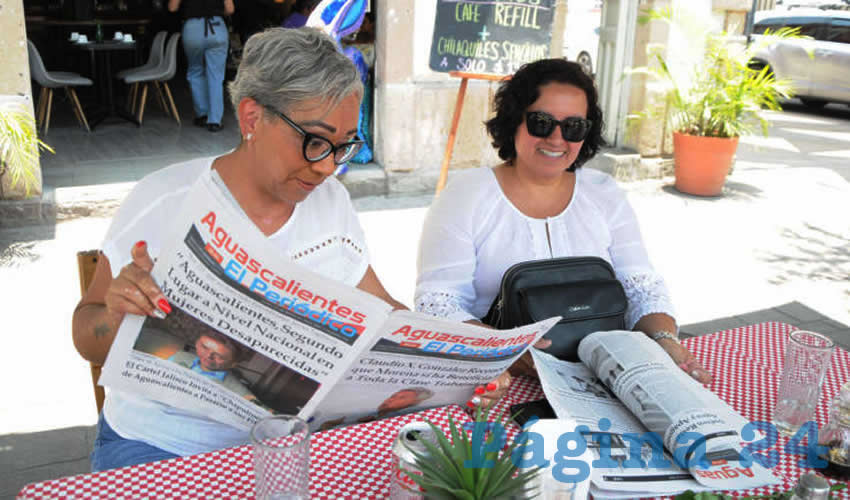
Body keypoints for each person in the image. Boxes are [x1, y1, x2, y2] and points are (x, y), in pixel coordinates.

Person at [72, 27, 406, 472]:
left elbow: (380, 308)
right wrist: (117, 313)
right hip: (160, 442)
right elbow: (87, 338)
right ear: (252, 118)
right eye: (315, 141)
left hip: (291, 441)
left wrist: (453, 357)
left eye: (343, 145)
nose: (327, 166)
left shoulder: (332, 203)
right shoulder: (165, 199)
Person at [415, 58, 712, 404]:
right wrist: (505, 350)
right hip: (500, 380)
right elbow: (437, 302)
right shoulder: (466, 195)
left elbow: (641, 286)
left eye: (573, 126)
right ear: (514, 121)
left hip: (605, 375)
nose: (557, 138)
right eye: (541, 122)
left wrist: (665, 342)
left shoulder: (604, 193)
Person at [169, 0, 234, 132]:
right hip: (216, 27)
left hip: (193, 29)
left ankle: (202, 114)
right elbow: (230, 9)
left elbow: (172, 8)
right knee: (215, 75)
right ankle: (215, 121)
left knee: (195, 70)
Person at [169, 330, 257, 401]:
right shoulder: (179, 356)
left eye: (219, 356)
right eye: (204, 347)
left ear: (233, 364)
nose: (208, 356)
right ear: (197, 343)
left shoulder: (239, 391)